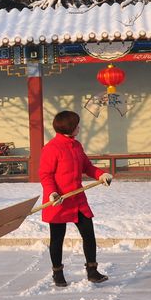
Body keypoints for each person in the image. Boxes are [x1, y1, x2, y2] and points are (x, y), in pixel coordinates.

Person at [39, 110, 113, 287]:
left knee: (89, 234)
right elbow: (45, 174)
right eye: (77, 125)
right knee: (57, 238)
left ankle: (92, 271)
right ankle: (57, 273)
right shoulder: (52, 148)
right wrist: (52, 193)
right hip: (58, 200)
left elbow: (87, 166)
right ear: (70, 127)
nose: (79, 127)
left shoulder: (76, 146)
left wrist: (101, 175)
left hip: (77, 199)